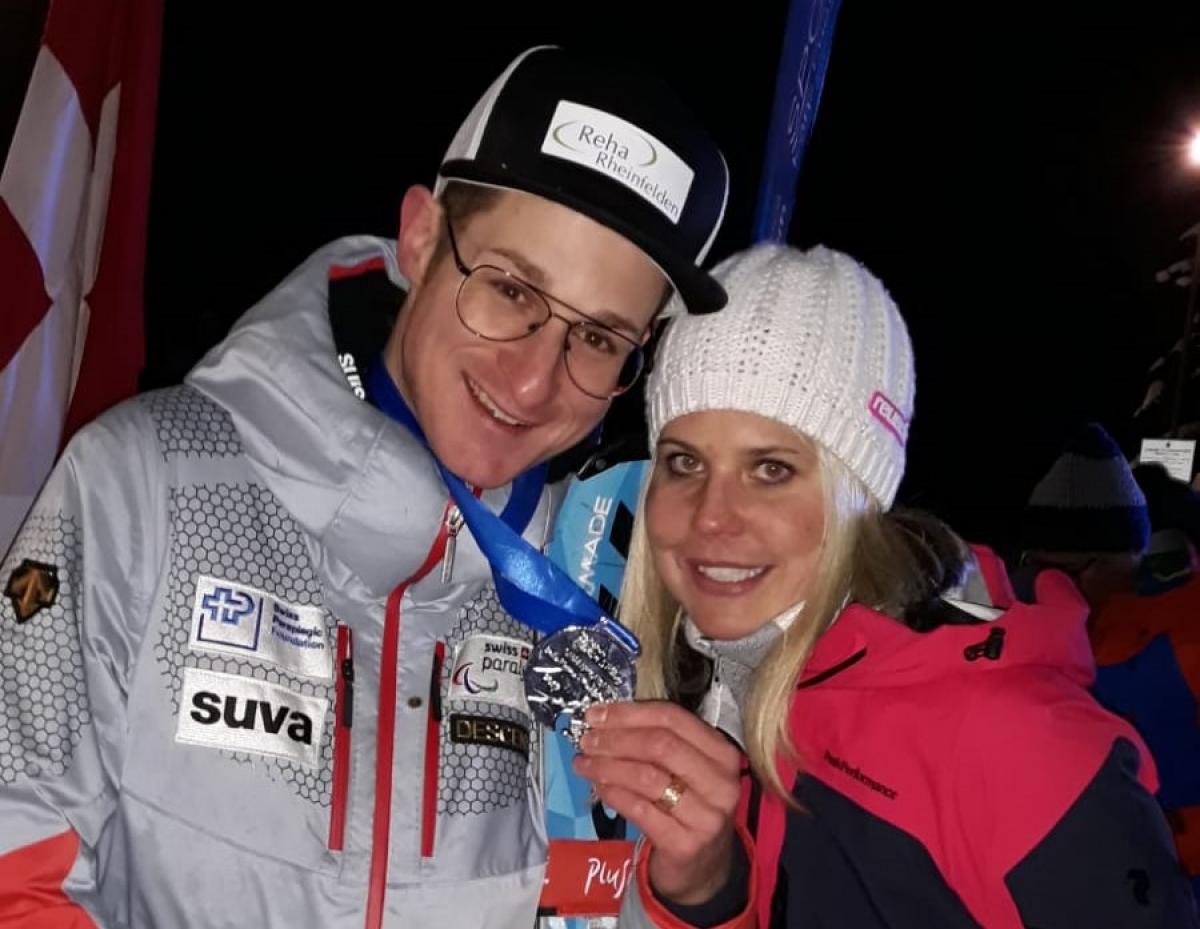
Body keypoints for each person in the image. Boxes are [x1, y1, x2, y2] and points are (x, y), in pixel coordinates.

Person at [0, 45, 729, 928]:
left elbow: (589, 899)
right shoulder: (142, 484)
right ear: (422, 239)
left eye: (600, 339)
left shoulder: (605, 586)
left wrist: (692, 890)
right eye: (508, 289)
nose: (536, 381)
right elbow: (14, 862)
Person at [571, 243, 1197, 928]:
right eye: (684, 460)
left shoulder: (1013, 741)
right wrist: (705, 885)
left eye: (771, 468)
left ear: (858, 495)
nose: (710, 516)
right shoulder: (712, 686)